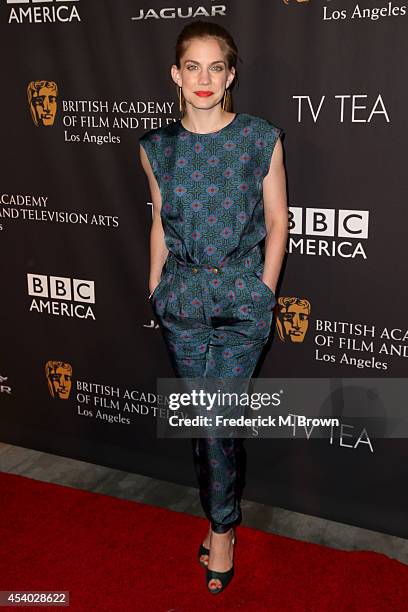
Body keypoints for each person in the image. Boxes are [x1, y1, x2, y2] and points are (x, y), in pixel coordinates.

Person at [139, 20, 288, 594]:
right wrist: (154, 285)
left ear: (231, 76)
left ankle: (223, 530)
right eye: (193, 67)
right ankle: (217, 515)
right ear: (176, 75)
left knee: (217, 422)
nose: (205, 79)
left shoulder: (260, 138)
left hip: (242, 304)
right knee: (203, 429)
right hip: (180, 302)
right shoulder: (156, 148)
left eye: (216, 67)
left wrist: (265, 289)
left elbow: (278, 221)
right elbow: (159, 220)